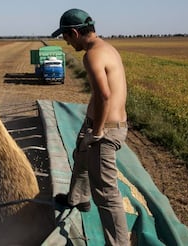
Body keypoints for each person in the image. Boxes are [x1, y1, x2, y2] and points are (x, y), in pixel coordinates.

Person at [52, 8, 129, 246]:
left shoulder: (92, 55)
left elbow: (105, 96)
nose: (65, 41)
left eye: (65, 36)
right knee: (81, 158)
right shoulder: (106, 48)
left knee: (106, 193)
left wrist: (96, 133)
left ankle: (118, 243)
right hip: (99, 124)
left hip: (105, 130)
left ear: (74, 32)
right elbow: (102, 95)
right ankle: (77, 199)